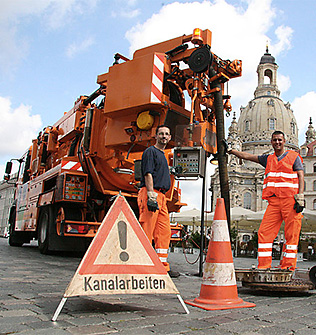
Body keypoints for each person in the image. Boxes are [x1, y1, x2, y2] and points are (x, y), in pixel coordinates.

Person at [228, 130, 304, 270]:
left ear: (284, 141)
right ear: (271, 141)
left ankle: (288, 266)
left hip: (290, 201)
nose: (277, 142)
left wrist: (301, 197)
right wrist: (232, 151)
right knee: (264, 232)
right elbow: (247, 156)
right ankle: (263, 266)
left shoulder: (294, 157)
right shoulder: (268, 159)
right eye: (275, 140)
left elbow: (300, 175)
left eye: (280, 140)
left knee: (291, 235)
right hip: (274, 202)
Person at [137, 125, 180, 278]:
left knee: (164, 232)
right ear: (156, 136)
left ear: (169, 138)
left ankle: (161, 266)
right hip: (152, 193)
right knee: (147, 230)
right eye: (161, 134)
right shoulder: (150, 152)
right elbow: (148, 173)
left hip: (161, 196)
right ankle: (142, 265)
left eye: (167, 134)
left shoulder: (162, 154)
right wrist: (150, 195)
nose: (164, 136)